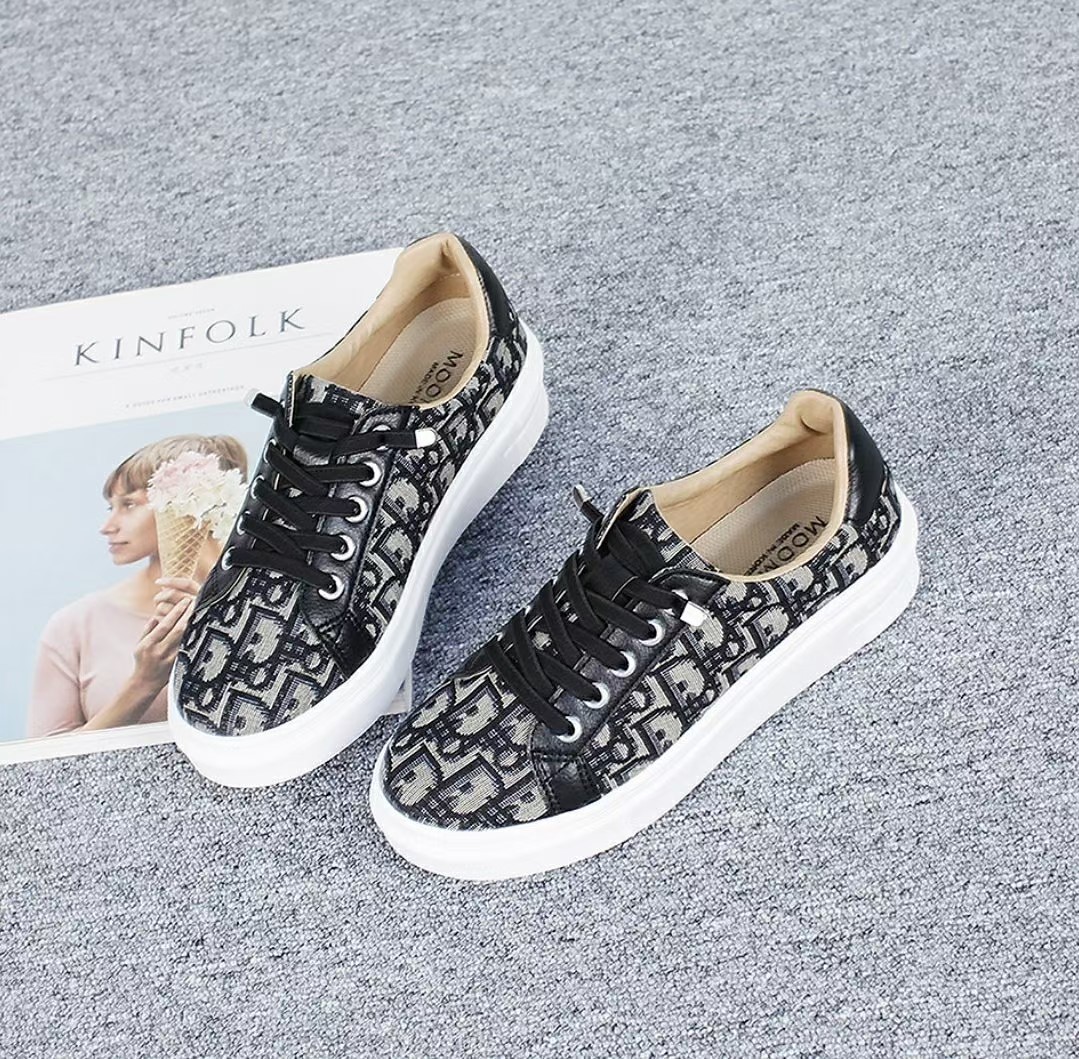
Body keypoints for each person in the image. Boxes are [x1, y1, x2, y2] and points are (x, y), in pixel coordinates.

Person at [27, 434, 248, 737]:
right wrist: (143, 683)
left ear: (193, 503)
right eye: (111, 507)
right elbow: (46, 758)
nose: (107, 527)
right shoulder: (75, 625)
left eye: (129, 504)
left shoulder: (262, 607)